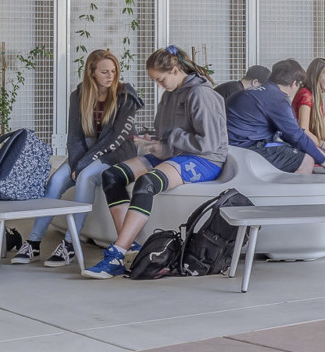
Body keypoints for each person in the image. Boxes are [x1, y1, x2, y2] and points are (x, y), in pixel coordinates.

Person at [82, 46, 228, 279]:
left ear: (175, 69)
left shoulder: (201, 94)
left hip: (204, 159)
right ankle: (129, 248)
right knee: (112, 176)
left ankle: (116, 253)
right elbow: (166, 132)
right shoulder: (170, 94)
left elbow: (208, 143)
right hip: (174, 153)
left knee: (147, 182)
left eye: (160, 79)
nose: (160, 85)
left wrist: (170, 139)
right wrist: (153, 140)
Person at [15, 49, 144, 267]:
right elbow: (74, 136)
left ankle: (70, 245)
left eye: (113, 71)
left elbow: (114, 139)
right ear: (91, 72)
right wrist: (76, 161)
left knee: (85, 178)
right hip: (86, 151)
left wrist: (82, 165)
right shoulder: (79, 95)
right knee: (56, 181)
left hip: (115, 154)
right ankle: (34, 242)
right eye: (104, 72)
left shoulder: (125, 96)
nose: (110, 76)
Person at [227, 58, 325, 175]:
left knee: (300, 151)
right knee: (306, 161)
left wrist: (323, 155)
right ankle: (287, 195)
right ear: (294, 83)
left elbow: (290, 136)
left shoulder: (257, 92)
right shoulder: (277, 99)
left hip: (235, 144)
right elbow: (296, 135)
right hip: (245, 148)